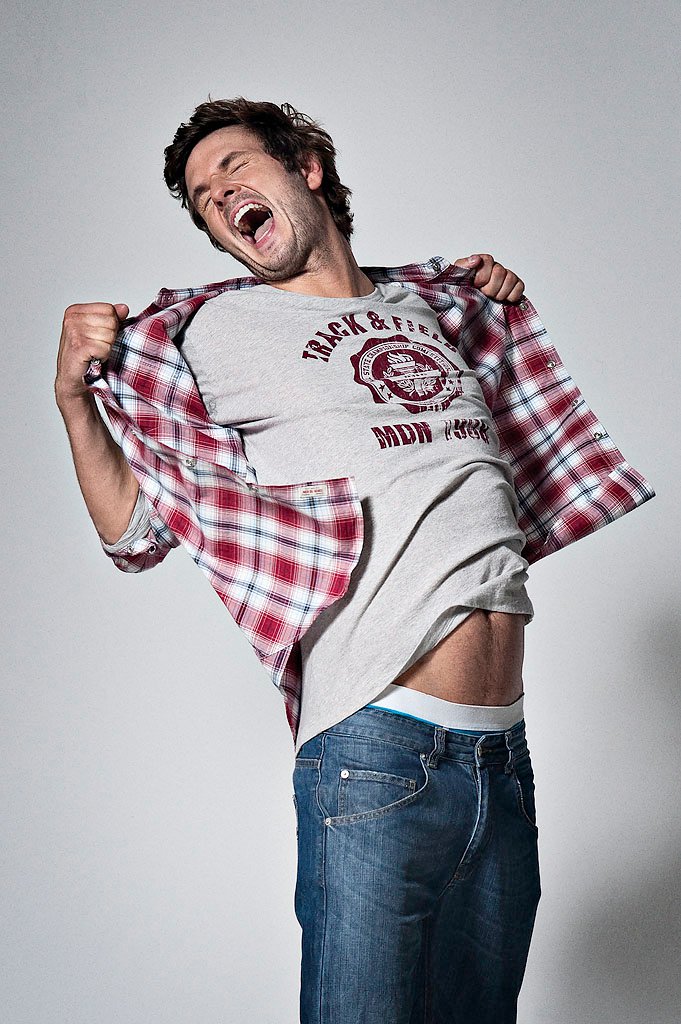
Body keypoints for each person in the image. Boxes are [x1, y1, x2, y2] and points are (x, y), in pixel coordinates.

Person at [55, 98, 655, 1023]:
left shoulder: (433, 308)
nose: (218, 196)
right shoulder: (209, 335)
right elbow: (134, 535)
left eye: (233, 169)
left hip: (502, 760)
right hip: (375, 754)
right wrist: (73, 395)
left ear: (306, 169)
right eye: (202, 197)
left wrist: (484, 285)